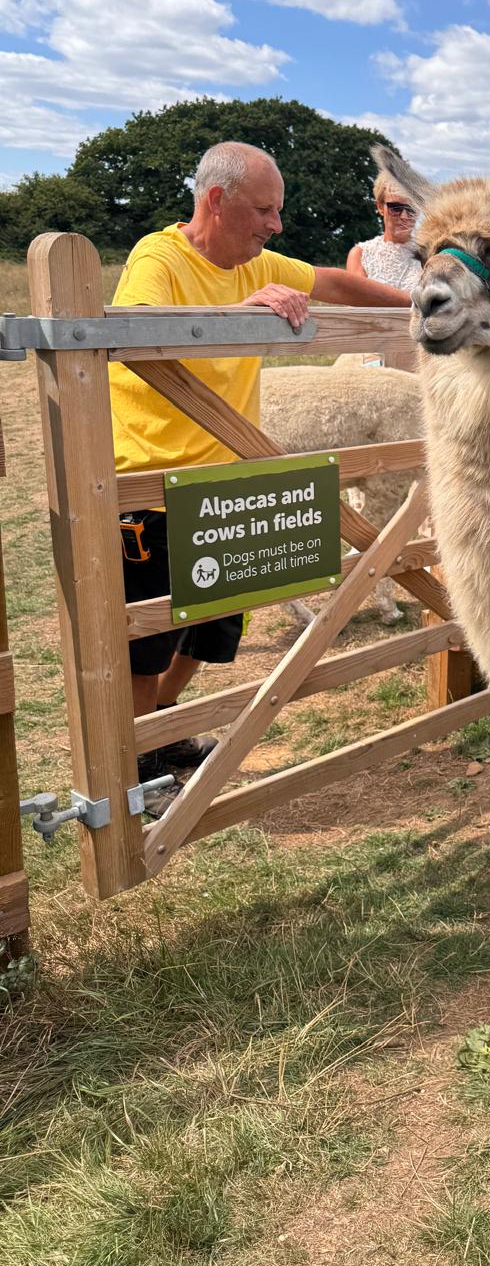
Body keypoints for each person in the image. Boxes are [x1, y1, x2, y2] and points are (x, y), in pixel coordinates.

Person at [112, 141, 413, 810]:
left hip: (227, 482)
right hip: (154, 486)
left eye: (277, 211)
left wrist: (419, 306)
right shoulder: (157, 258)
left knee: (214, 628)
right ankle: (135, 779)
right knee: (148, 643)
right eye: (264, 210)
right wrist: (244, 311)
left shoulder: (254, 260)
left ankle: (160, 737)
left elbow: (333, 283)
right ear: (215, 202)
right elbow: (138, 329)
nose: (276, 224)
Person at [347, 168, 424, 289]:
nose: (404, 216)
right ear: (380, 207)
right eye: (396, 207)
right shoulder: (360, 255)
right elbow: (356, 303)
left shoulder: (429, 253)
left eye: (411, 208)